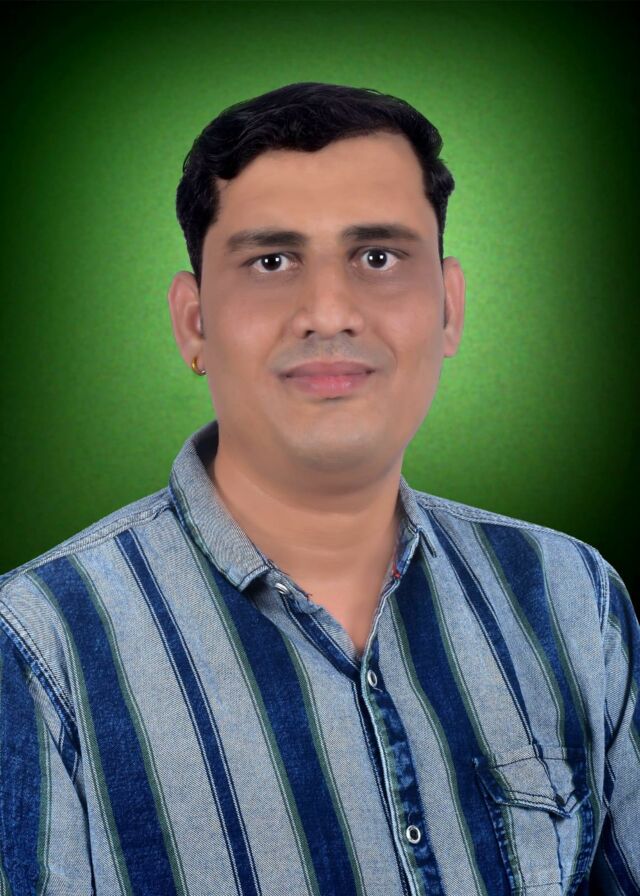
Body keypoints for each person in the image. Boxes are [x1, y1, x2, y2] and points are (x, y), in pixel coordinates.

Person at [0, 81, 637, 896]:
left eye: (378, 257)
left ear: (448, 308)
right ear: (194, 323)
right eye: (272, 261)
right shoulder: (39, 647)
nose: (329, 312)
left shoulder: (571, 598)